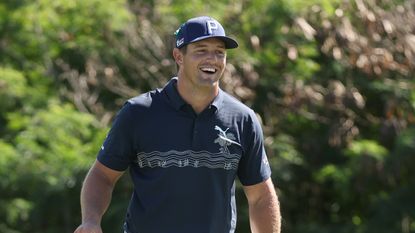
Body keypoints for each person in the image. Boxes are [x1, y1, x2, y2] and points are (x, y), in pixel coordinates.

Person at [74, 16, 281, 233]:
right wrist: (91, 220)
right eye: (201, 50)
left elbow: (260, 197)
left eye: (219, 52)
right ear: (178, 56)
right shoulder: (138, 113)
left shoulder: (243, 119)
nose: (212, 59)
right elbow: (102, 176)